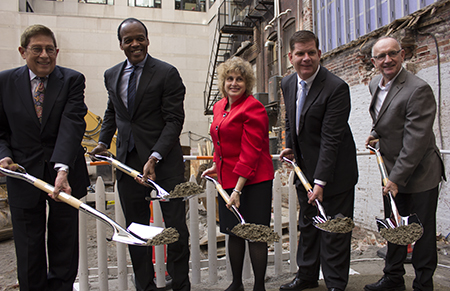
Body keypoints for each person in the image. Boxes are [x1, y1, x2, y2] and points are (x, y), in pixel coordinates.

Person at [88, 18, 190, 291]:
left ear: (147, 39)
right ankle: (145, 286)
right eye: (128, 40)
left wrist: (155, 156)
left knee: (176, 228)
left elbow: (174, 121)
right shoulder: (112, 74)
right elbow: (113, 113)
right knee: (136, 230)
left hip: (165, 162)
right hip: (127, 162)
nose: (135, 44)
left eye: (139, 38)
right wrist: (103, 141)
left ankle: (180, 285)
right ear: (120, 43)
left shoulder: (167, 73)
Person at [0, 24, 90, 291]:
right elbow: (1, 131)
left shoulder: (73, 80)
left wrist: (62, 168)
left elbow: (72, 125)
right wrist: (4, 157)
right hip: (22, 175)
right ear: (22, 51)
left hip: (65, 175)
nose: (44, 55)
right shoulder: (4, 82)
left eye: (50, 49)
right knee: (28, 248)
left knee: (64, 244)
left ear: (57, 51)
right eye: (37, 49)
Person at [278, 30, 358, 291]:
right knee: (308, 227)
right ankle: (307, 277)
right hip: (305, 172)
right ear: (290, 56)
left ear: (319, 54)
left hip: (334, 174)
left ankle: (335, 284)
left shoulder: (336, 87)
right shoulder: (288, 83)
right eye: (300, 53)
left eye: (311, 52)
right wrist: (290, 146)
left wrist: (321, 181)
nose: (306, 58)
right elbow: (291, 119)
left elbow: (331, 139)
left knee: (334, 229)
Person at [364, 36, 445, 291]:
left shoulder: (418, 89)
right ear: (374, 61)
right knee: (395, 227)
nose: (387, 60)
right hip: (391, 172)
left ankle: (423, 284)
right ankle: (393, 278)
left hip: (420, 174)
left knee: (420, 233)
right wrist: (376, 134)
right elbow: (387, 117)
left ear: (402, 55)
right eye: (381, 56)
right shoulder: (375, 83)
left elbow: (416, 141)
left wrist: (395, 179)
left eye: (392, 53)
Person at [202, 56, 274, 291]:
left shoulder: (253, 107)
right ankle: (236, 284)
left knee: (255, 233)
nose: (234, 83)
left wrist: (238, 189)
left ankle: (259, 286)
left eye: (239, 79)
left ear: (247, 83)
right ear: (223, 82)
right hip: (229, 179)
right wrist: (215, 164)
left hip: (253, 180)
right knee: (233, 232)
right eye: (230, 79)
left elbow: (251, 150)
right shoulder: (220, 106)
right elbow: (220, 141)